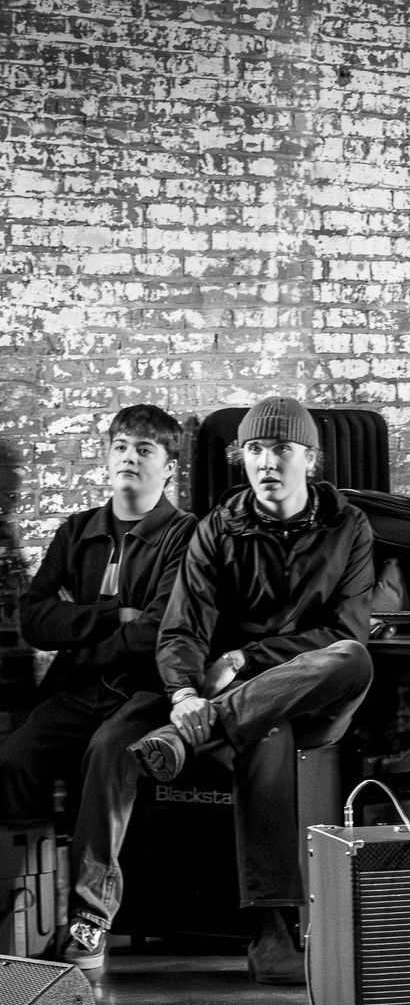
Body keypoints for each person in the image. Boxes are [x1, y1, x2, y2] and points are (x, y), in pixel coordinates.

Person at [135, 395, 376, 983]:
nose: (267, 462)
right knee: (264, 734)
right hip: (253, 710)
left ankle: (203, 731)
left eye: (282, 449)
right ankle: (272, 937)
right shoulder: (217, 529)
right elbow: (181, 629)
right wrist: (183, 696)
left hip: (319, 694)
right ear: (241, 457)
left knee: (353, 657)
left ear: (310, 459)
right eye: (256, 450)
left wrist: (246, 657)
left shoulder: (349, 527)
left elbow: (343, 632)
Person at [2, 405, 197, 972]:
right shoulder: (78, 531)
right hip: (77, 690)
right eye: (121, 447)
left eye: (144, 449)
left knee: (108, 754)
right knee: (13, 760)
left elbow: (159, 629)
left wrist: (82, 635)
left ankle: (90, 918)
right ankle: (29, 909)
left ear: (169, 467)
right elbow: (35, 619)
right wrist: (111, 616)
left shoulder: (185, 536)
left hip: (147, 693)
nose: (129, 458)